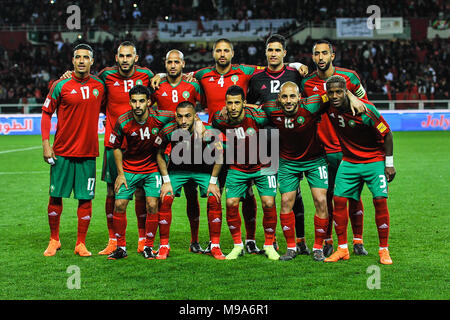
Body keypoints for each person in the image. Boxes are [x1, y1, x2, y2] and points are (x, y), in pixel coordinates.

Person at [152, 38, 308, 255]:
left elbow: (272, 64)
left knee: (251, 194)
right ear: (213, 53)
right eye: (218, 50)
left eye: (226, 50)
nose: (222, 54)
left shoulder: (244, 71)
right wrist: (159, 75)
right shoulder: (203, 75)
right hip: (214, 140)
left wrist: (294, 65)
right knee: (216, 191)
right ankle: (215, 242)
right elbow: (179, 73)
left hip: (246, 140)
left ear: (232, 53)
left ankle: (252, 240)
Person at [261, 82, 365, 261]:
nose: (288, 101)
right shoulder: (271, 109)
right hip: (288, 162)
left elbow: (335, 95)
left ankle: (318, 247)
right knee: (286, 201)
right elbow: (251, 109)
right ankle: (291, 248)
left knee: (321, 200)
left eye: (292, 96)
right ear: (279, 98)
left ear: (299, 97)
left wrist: (352, 96)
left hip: (315, 160)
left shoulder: (313, 104)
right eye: (284, 97)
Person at [300, 40, 368, 257]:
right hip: (323, 150)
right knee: (327, 197)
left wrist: (349, 95)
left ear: (333, 55)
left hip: (349, 149)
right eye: (317, 54)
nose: (321, 58)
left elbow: (364, 106)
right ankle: (328, 240)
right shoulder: (307, 83)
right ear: (312, 57)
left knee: (354, 196)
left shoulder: (350, 76)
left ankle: (358, 241)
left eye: (324, 53)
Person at [247, 34, 309, 255]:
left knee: (295, 194)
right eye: (270, 50)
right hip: (266, 142)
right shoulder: (256, 79)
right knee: (270, 194)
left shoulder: (295, 74)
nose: (273, 53)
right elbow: (250, 105)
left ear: (284, 53)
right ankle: (270, 240)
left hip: (292, 141)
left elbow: (307, 102)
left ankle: (300, 240)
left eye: (277, 50)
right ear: (265, 53)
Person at [323, 75, 395, 265]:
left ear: (346, 91)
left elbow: (387, 134)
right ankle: (342, 249)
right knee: (338, 200)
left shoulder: (366, 110)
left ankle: (384, 250)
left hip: (374, 161)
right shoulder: (329, 105)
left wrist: (389, 164)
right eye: (331, 92)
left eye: (339, 91)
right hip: (349, 161)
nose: (334, 96)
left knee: (380, 200)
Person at [42, 43, 106, 257]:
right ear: (72, 60)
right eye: (77, 57)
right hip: (62, 152)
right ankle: (54, 239)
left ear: (92, 61)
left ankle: (81, 243)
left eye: (85, 57)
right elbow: (46, 113)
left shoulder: (100, 85)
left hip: (88, 153)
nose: (81, 60)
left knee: (85, 198)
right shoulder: (61, 85)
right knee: (55, 196)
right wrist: (46, 144)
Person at [97, 41, 156, 255]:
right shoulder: (105, 76)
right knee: (112, 191)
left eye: (128, 56)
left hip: (140, 142)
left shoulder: (147, 75)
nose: (124, 60)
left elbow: (157, 93)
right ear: (116, 57)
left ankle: (142, 239)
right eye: (121, 56)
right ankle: (113, 240)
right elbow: (92, 87)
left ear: (136, 58)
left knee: (141, 192)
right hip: (114, 144)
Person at [106, 85, 175, 260]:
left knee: (152, 205)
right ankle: (121, 247)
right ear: (129, 102)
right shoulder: (123, 121)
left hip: (152, 169)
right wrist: (120, 174)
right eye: (134, 101)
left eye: (142, 101)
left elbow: (181, 116)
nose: (138, 105)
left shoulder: (161, 117)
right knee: (119, 204)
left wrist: (196, 121)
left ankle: (148, 247)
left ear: (149, 102)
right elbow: (115, 147)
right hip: (129, 168)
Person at [212, 85, 279, 260]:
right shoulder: (220, 120)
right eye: (229, 103)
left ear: (244, 103)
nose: (233, 107)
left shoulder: (258, 117)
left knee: (269, 203)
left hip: (263, 165)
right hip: (238, 166)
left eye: (236, 103)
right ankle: (237, 245)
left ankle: (269, 245)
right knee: (231, 203)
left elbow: (274, 123)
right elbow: (213, 127)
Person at [156, 101, 226, 260]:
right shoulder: (168, 130)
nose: (183, 121)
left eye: (188, 116)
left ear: (195, 116)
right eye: (180, 117)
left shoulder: (208, 131)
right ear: (175, 116)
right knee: (165, 197)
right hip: (178, 170)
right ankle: (163, 246)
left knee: (214, 197)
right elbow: (159, 154)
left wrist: (213, 182)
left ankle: (215, 245)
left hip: (202, 170)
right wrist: (166, 181)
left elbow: (220, 156)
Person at [151, 49, 205, 254]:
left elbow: (203, 106)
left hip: (190, 147)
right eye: (169, 62)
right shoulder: (156, 84)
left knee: (192, 196)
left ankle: (195, 240)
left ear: (183, 64)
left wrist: (198, 122)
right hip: (165, 146)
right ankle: (161, 242)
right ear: (165, 64)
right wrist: (161, 76)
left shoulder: (193, 84)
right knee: (163, 197)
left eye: (176, 62)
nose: (173, 65)